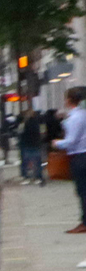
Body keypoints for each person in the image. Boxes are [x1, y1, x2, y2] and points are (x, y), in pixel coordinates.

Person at [59, 87, 86, 231]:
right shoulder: (82, 114)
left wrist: (57, 143)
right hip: (82, 154)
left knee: (82, 190)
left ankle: (84, 223)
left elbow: (71, 141)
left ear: (69, 100)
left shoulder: (76, 117)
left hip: (79, 156)